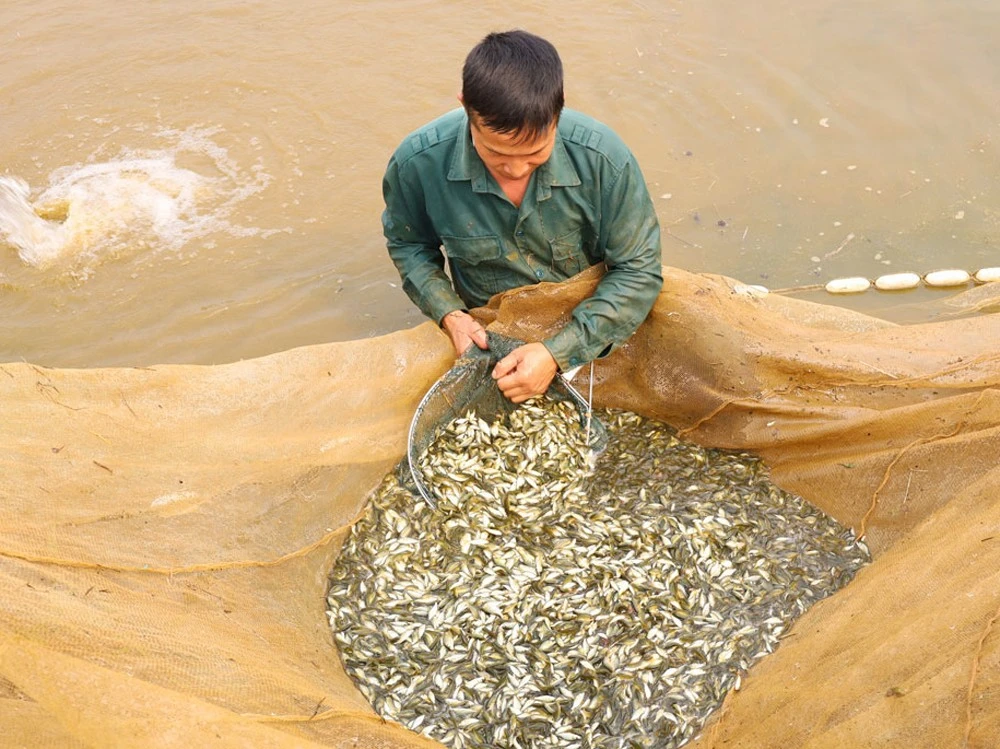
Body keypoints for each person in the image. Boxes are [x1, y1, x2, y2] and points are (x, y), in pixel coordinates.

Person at [382, 30, 663, 403]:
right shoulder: (417, 163)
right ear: (466, 107)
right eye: (495, 153)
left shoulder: (605, 161)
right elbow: (409, 244)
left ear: (558, 110)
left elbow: (638, 270)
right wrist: (451, 315)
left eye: (535, 153)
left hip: (587, 317)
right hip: (491, 326)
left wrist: (557, 353)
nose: (515, 170)